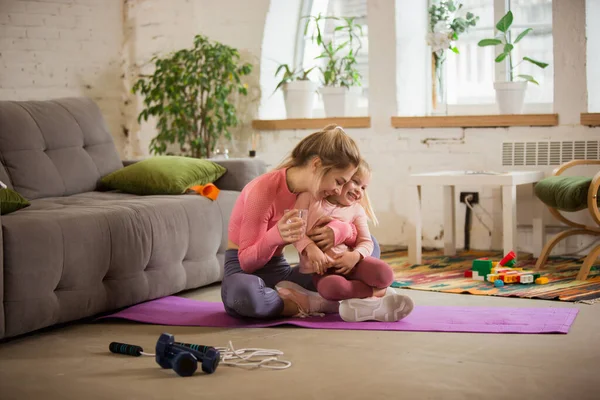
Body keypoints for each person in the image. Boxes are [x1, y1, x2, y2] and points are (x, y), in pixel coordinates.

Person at [221, 124, 367, 319]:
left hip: (282, 275)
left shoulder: (314, 191)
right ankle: (313, 303)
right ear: (316, 165)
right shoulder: (262, 191)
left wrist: (341, 230)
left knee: (367, 248)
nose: (339, 191)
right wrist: (275, 236)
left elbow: (354, 229)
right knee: (245, 295)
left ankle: (288, 299)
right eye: (339, 182)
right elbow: (247, 263)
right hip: (243, 272)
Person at [277, 160, 414, 322]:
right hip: (324, 270)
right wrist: (310, 248)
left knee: (385, 274)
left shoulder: (357, 210)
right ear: (340, 179)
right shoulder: (309, 198)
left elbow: (366, 241)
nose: (359, 191)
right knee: (331, 289)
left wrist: (355, 256)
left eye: (364, 187)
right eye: (355, 182)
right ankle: (376, 294)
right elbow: (296, 230)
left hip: (353, 264)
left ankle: (365, 296)